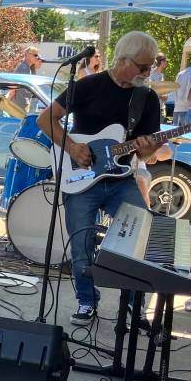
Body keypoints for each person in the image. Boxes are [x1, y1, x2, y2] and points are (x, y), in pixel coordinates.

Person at [35, 31, 165, 326]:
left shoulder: (146, 98)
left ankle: (134, 304)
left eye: (150, 67)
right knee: (81, 243)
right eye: (143, 67)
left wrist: (150, 147)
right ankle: (86, 301)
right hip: (80, 176)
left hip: (121, 179)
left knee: (140, 235)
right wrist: (72, 147)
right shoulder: (89, 85)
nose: (148, 72)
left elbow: (146, 154)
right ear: (123, 60)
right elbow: (45, 119)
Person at [12, 45, 41, 112]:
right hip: (19, 103)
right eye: (35, 55)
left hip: (22, 102)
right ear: (28, 55)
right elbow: (16, 86)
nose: (37, 57)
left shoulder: (27, 68)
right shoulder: (24, 68)